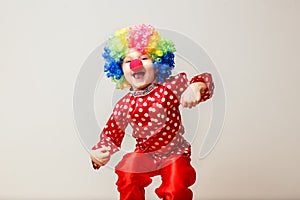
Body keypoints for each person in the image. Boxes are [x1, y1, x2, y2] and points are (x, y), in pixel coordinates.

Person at [90, 24, 214, 200]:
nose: (136, 63)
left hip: (174, 154)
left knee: (176, 188)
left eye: (144, 58)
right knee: (127, 173)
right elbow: (111, 134)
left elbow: (206, 80)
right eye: (128, 61)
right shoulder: (124, 105)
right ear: (120, 69)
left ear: (157, 64)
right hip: (145, 154)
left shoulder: (171, 87)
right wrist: (98, 154)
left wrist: (196, 87)